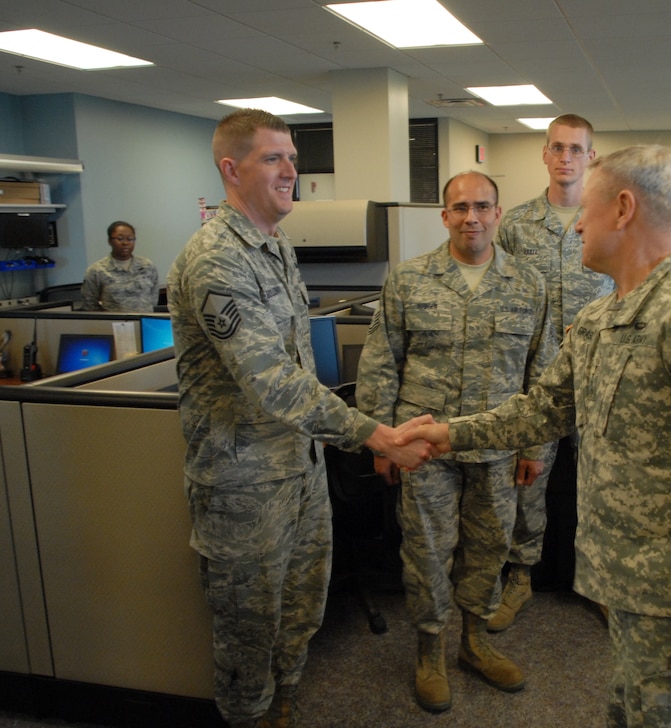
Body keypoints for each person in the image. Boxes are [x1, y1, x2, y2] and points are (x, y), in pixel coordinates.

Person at [399, 145, 671, 727]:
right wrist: (446, 434)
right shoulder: (605, 319)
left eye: (587, 208)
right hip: (630, 591)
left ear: (624, 208)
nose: (577, 223)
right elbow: (542, 410)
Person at [167, 108, 432, 728]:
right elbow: (271, 382)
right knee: (248, 628)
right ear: (231, 169)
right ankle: (250, 714)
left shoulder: (276, 246)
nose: (292, 171)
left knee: (300, 605)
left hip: (299, 468)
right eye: (273, 158)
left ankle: (282, 702)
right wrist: (378, 434)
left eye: (292, 156)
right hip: (244, 486)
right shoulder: (216, 259)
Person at [356, 171, 555, 713]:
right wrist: (382, 441)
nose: (472, 217)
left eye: (483, 207)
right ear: (444, 216)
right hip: (424, 451)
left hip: (497, 449)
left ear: (498, 213)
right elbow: (381, 362)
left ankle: (473, 642)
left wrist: (536, 448)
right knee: (425, 552)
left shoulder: (529, 283)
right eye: (461, 207)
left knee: (488, 551)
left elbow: (544, 373)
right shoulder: (410, 280)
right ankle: (429, 652)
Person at [489, 113, 614, 629]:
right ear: (544, 154)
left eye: (576, 149)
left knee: (604, 480)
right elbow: (505, 298)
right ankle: (520, 576)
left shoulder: (609, 215)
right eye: (557, 148)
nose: (565, 158)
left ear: (591, 157)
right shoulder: (516, 225)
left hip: (600, 376)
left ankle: (604, 582)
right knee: (528, 481)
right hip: (539, 378)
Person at [81, 221, 159, 312]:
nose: (125, 243)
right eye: (120, 239)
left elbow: (153, 298)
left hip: (144, 322)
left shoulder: (147, 266)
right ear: (110, 241)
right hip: (112, 324)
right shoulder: (96, 270)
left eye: (130, 239)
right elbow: (89, 304)